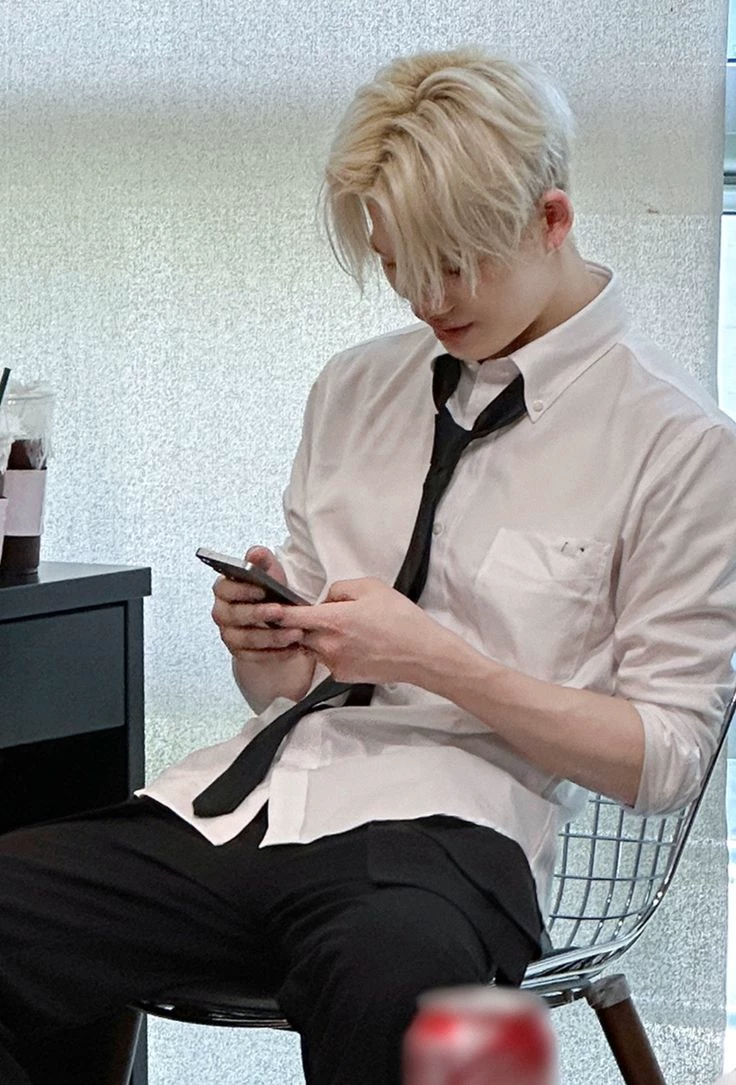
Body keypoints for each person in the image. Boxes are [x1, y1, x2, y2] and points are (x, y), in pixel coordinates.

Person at [1, 47, 735, 1085]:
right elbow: (292, 683)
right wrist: (269, 649)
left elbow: (665, 758)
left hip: (447, 843)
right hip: (242, 810)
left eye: (455, 264)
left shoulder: (679, 442)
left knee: (397, 992)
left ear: (552, 219)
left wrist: (435, 659)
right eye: (398, 264)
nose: (426, 298)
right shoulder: (352, 388)